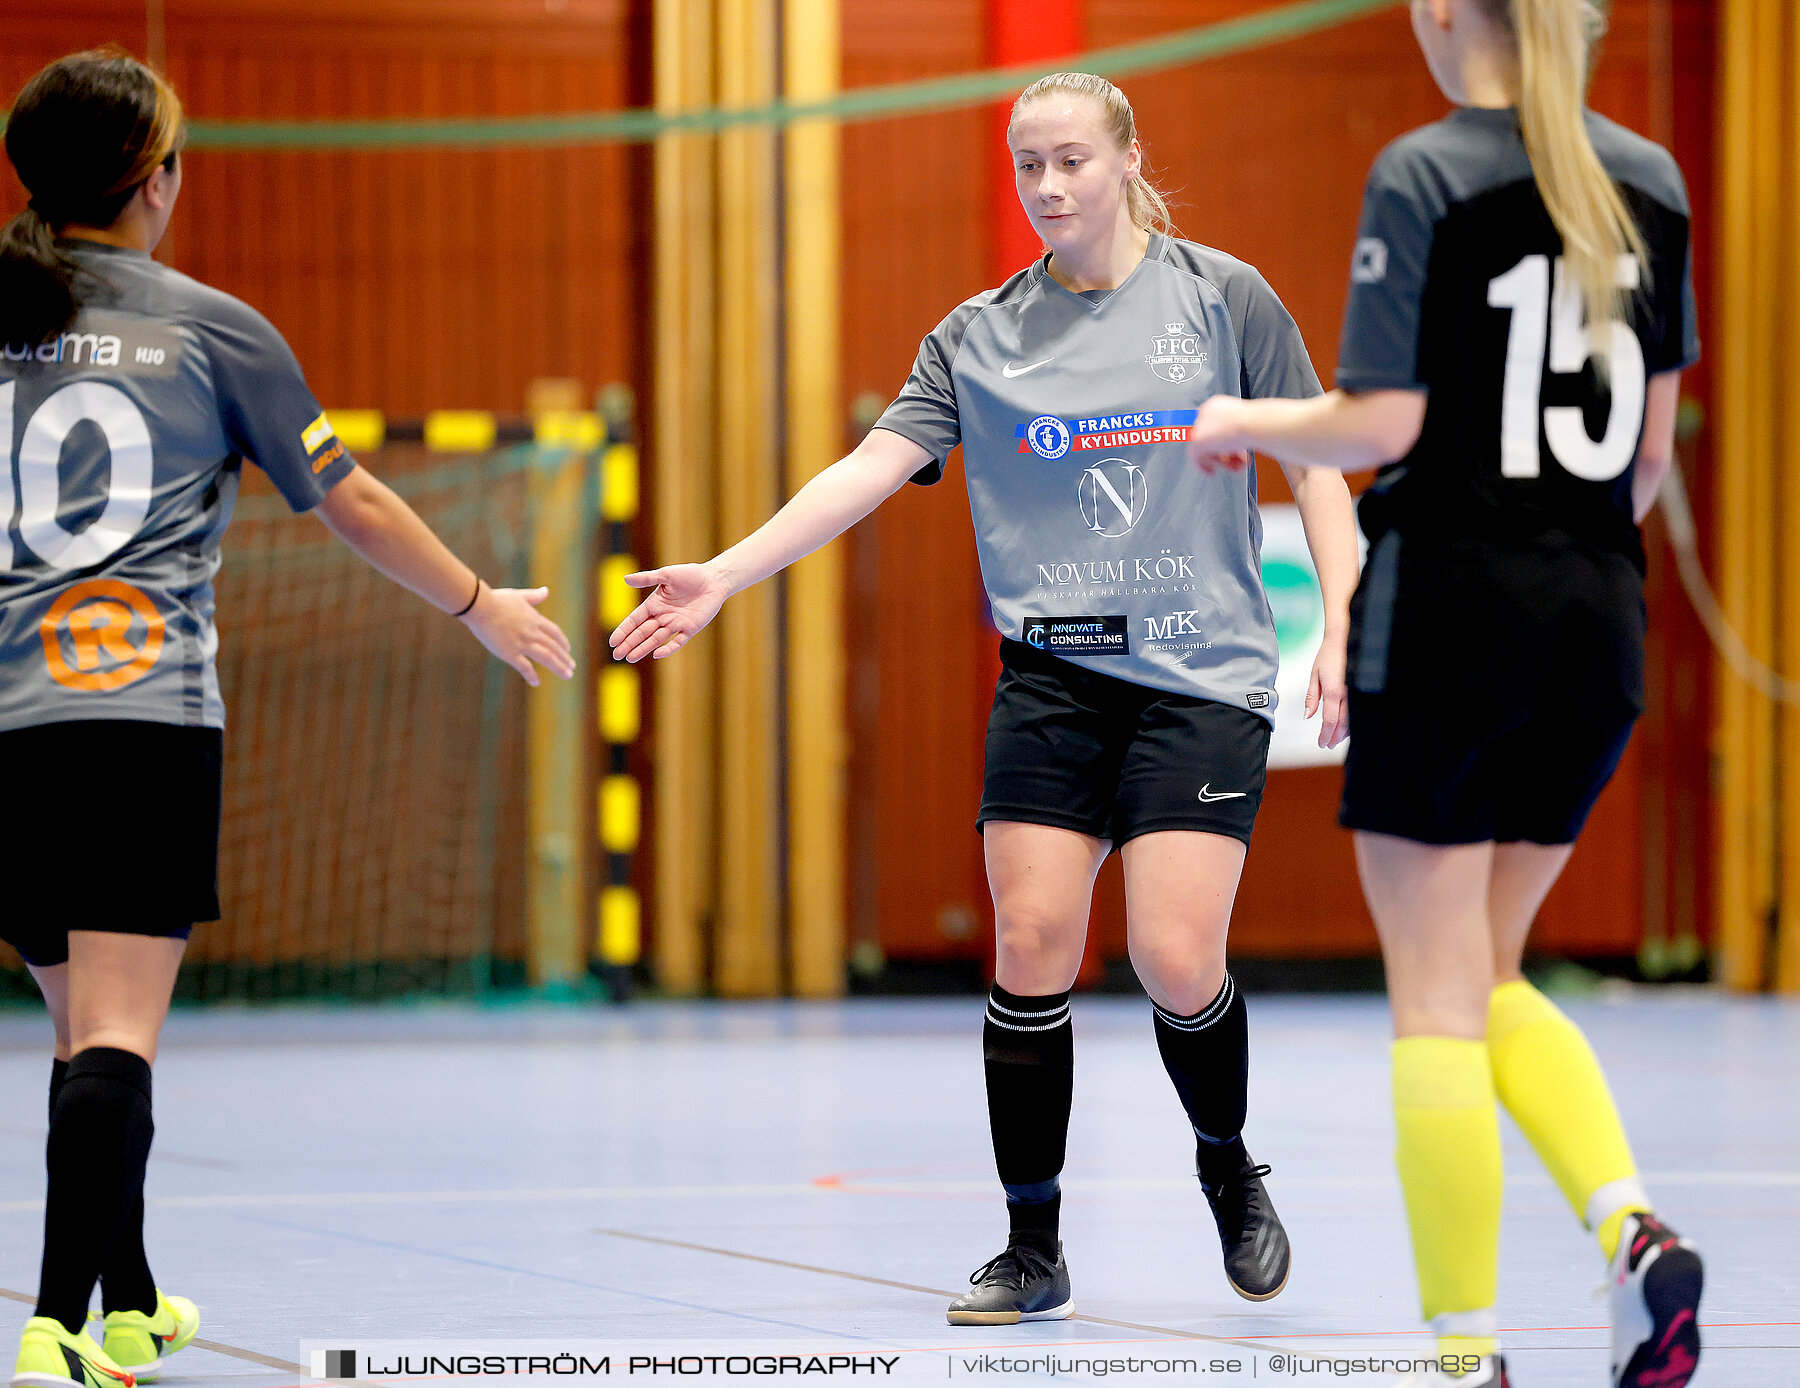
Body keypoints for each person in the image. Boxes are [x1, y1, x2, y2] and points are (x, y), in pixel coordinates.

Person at [610, 71, 1360, 1324]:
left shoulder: (1223, 299)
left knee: (1178, 957)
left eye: (1072, 160)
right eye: (1029, 167)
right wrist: (727, 574)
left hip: (1199, 676)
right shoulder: (978, 335)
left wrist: (1340, 617)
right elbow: (867, 467)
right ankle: (1032, 1242)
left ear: (1126, 157)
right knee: (1030, 943)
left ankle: (1228, 1167)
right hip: (1055, 675)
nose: (1050, 187)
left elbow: (1321, 462)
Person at [2, 49, 574, 1388]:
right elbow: (353, 500)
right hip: (141, 716)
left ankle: (130, 1303)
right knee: (118, 1041)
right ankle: (51, 1333)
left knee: (82, 1034)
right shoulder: (209, 328)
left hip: (13, 728)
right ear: (154, 182)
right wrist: (480, 599)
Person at [1187, 1, 1703, 1384]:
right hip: (1598, 617)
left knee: (1432, 992)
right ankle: (1635, 1234)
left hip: (1457, 606)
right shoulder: (1650, 178)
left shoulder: (1426, 171)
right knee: (1486, 966)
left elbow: (1382, 422)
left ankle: (1464, 1352)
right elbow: (1648, 459)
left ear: (1437, 15)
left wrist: (1237, 420)